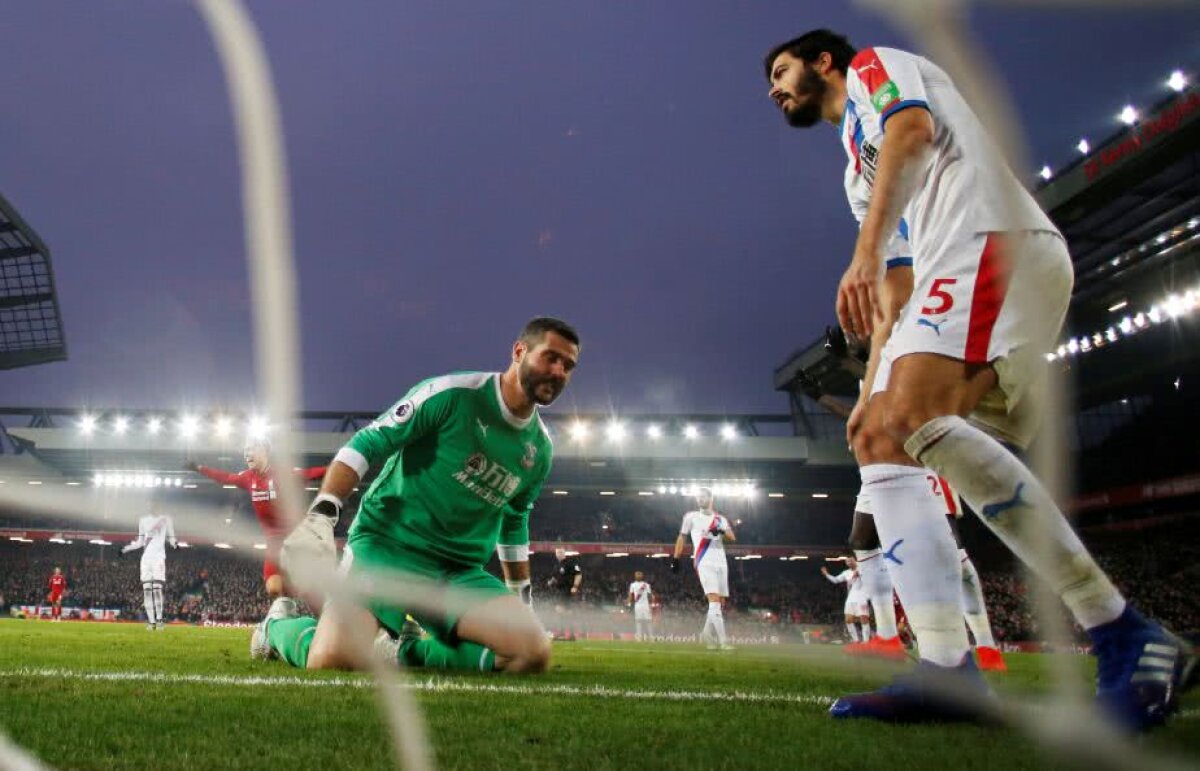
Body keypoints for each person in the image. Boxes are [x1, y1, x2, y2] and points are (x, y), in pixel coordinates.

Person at [764, 29, 1194, 728]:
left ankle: (1124, 630)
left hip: (990, 239)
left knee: (913, 418)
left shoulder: (875, 68)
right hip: (946, 271)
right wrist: (870, 386)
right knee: (879, 437)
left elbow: (911, 132)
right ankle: (947, 669)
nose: (774, 89)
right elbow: (896, 288)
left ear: (822, 62)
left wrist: (862, 253)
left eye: (782, 71)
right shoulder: (855, 175)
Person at [257, 317, 579, 675]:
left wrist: (521, 597)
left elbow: (515, 520)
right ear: (519, 352)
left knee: (532, 653)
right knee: (332, 661)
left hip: (456, 572)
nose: (559, 371)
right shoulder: (453, 394)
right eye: (550, 357)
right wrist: (323, 513)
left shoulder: (540, 449)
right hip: (387, 550)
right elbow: (368, 441)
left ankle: (407, 652)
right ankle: (276, 628)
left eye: (568, 366)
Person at [186, 439, 327, 600]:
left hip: (294, 541)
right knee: (274, 589)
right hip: (273, 545)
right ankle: (290, 605)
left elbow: (310, 473)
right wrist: (200, 468)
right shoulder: (247, 477)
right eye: (245, 451)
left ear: (264, 452)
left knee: (304, 592)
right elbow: (225, 477)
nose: (247, 454)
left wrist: (341, 467)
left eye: (251, 450)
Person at [671, 487, 736, 651]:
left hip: (721, 562)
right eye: (698, 497)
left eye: (703, 497)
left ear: (711, 498)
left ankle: (706, 633)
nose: (700, 499)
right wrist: (676, 558)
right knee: (714, 600)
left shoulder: (720, 519)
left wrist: (720, 530)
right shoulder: (691, 516)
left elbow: (732, 537)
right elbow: (682, 537)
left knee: (719, 603)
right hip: (704, 561)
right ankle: (723, 642)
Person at [121, 510, 177, 630]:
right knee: (147, 591)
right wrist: (126, 548)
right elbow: (140, 542)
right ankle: (151, 623)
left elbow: (171, 537)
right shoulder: (143, 520)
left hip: (158, 558)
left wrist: (175, 544)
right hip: (146, 560)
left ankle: (159, 620)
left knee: (157, 590)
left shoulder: (166, 518)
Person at [822, 559, 871, 643]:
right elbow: (836, 580)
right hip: (851, 598)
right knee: (848, 620)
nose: (849, 562)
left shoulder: (863, 569)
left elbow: (870, 577)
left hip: (862, 597)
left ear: (855, 561)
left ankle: (866, 642)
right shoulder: (846, 573)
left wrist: (860, 573)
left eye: (851, 560)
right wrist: (826, 574)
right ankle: (856, 641)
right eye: (847, 561)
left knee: (864, 619)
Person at [546, 547, 584, 640]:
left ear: (564, 553)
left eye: (561, 552)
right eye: (557, 552)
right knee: (566, 612)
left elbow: (578, 574)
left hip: (567, 590)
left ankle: (562, 632)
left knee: (560, 610)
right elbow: (555, 577)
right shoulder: (557, 565)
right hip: (560, 590)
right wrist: (550, 582)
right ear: (555, 554)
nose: (559, 554)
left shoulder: (570, 563)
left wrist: (575, 586)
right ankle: (570, 634)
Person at [627, 570, 656, 641]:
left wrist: (652, 603)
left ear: (642, 576)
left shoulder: (646, 585)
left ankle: (651, 637)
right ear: (635, 576)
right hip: (638, 605)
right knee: (638, 621)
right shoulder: (632, 585)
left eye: (639, 575)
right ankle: (639, 637)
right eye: (637, 575)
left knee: (648, 621)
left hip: (645, 605)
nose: (638, 576)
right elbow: (630, 595)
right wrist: (629, 603)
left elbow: (650, 595)